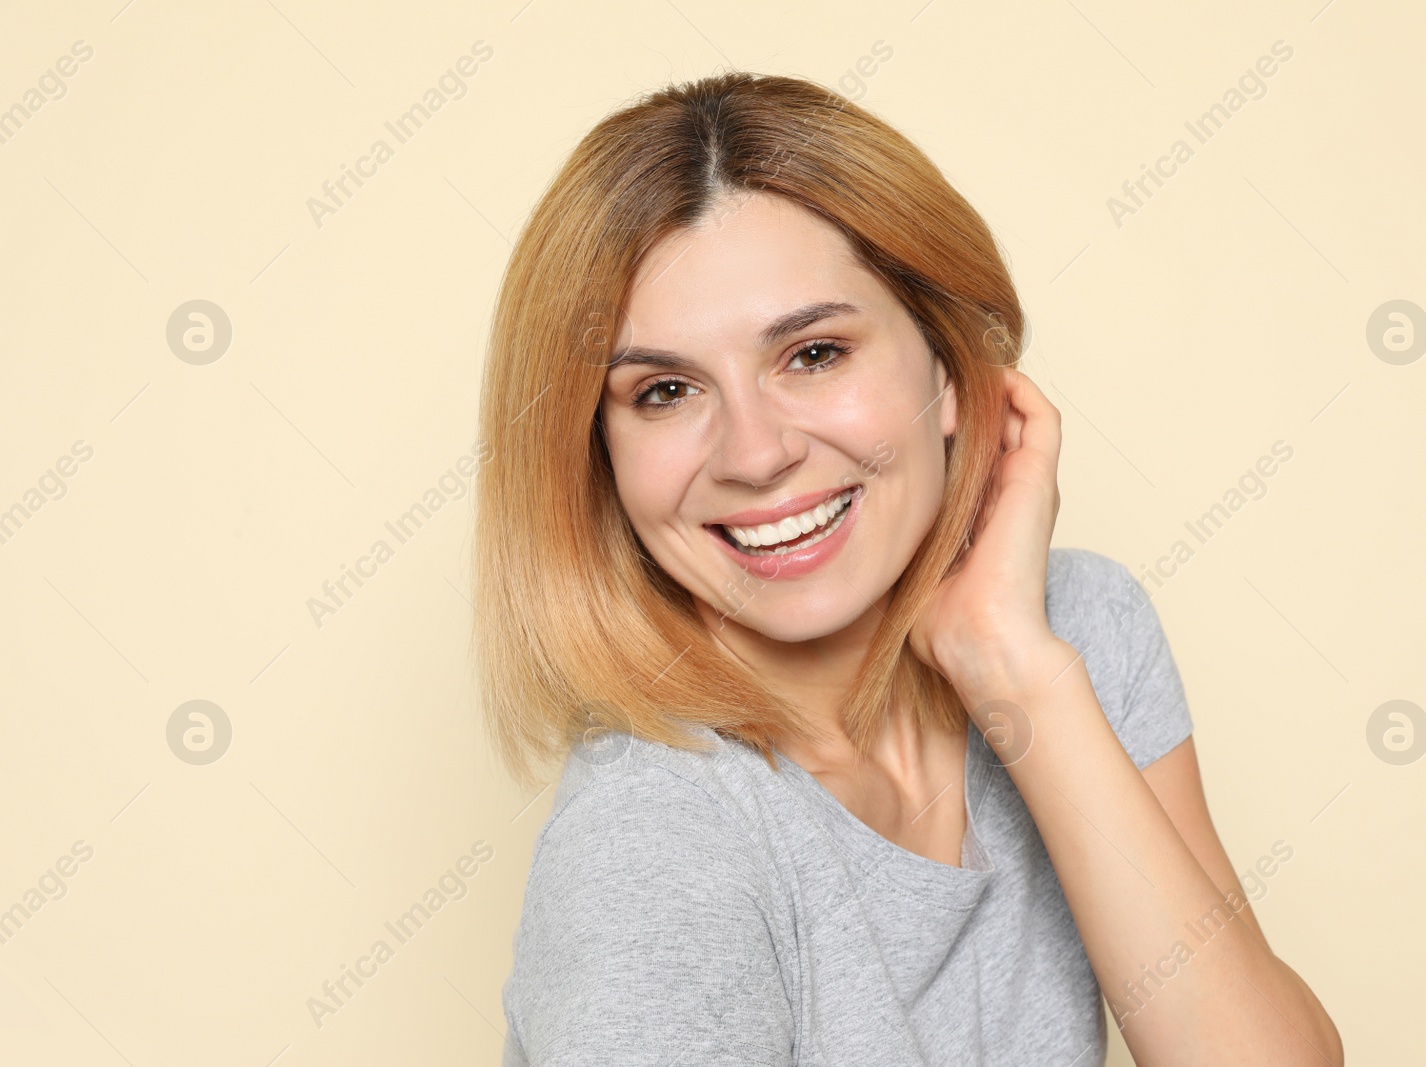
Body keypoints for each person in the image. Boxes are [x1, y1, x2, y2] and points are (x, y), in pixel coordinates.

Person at [474, 70, 1341, 1066]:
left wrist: (1014, 669)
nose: (754, 453)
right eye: (664, 390)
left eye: (813, 353)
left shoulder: (1078, 629)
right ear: (602, 460)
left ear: (947, 368)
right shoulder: (653, 842)